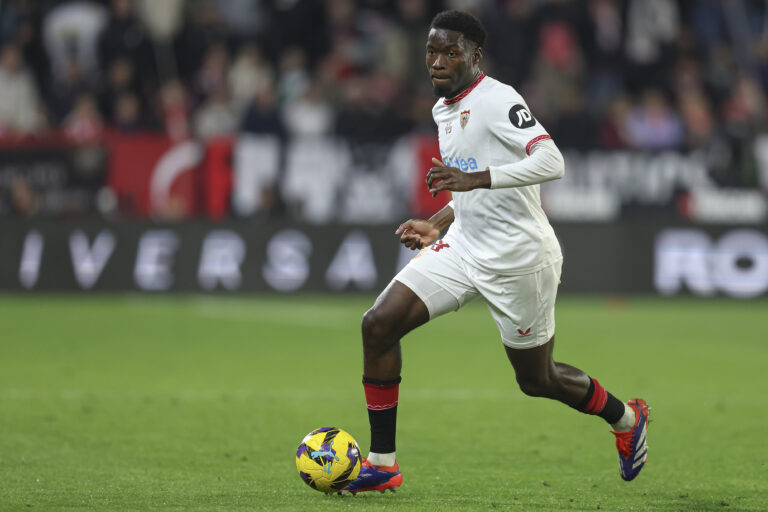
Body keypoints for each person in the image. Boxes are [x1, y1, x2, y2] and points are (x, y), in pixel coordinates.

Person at [343, 10, 649, 494]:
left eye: (450, 52)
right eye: (431, 51)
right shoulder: (444, 107)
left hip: (519, 260)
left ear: (474, 56)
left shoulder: (498, 99)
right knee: (378, 325)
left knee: (537, 379)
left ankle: (627, 418)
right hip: (463, 246)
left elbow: (552, 160)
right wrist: (438, 220)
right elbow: (469, 188)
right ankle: (383, 464)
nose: (438, 61)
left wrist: (475, 178)